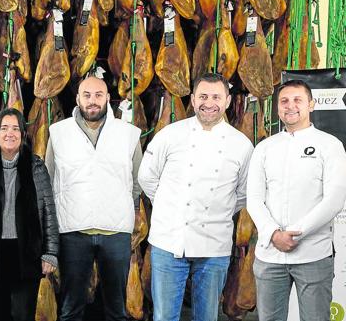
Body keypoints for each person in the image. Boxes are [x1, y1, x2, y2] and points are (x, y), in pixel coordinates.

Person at [138, 73, 254, 321]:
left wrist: (218, 210)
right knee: (164, 317)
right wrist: (171, 206)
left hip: (214, 246)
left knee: (207, 317)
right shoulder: (170, 134)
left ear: (227, 101)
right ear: (192, 99)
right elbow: (146, 177)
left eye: (215, 97)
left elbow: (244, 192)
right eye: (202, 96)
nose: (208, 102)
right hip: (169, 242)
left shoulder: (241, 144)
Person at [247, 80, 346, 321]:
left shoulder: (330, 145)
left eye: (297, 100)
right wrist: (273, 234)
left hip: (313, 255)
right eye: (284, 101)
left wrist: (295, 234)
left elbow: (334, 199)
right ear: (277, 108)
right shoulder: (265, 147)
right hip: (269, 256)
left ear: (311, 104)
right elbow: (254, 199)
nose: (290, 106)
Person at [45, 76, 142, 321]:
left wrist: (121, 206)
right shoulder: (58, 133)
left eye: (99, 95)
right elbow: (49, 177)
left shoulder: (128, 134)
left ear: (108, 98)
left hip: (116, 232)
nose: (92, 101)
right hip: (72, 231)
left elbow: (137, 181)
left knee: (116, 310)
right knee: (70, 309)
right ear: (77, 98)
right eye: (86, 95)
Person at [0, 108, 59, 321]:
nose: (10, 133)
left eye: (16, 128)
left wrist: (50, 252)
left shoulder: (36, 167)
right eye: (4, 128)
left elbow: (49, 212)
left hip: (27, 252)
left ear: (23, 135)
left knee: (22, 315)